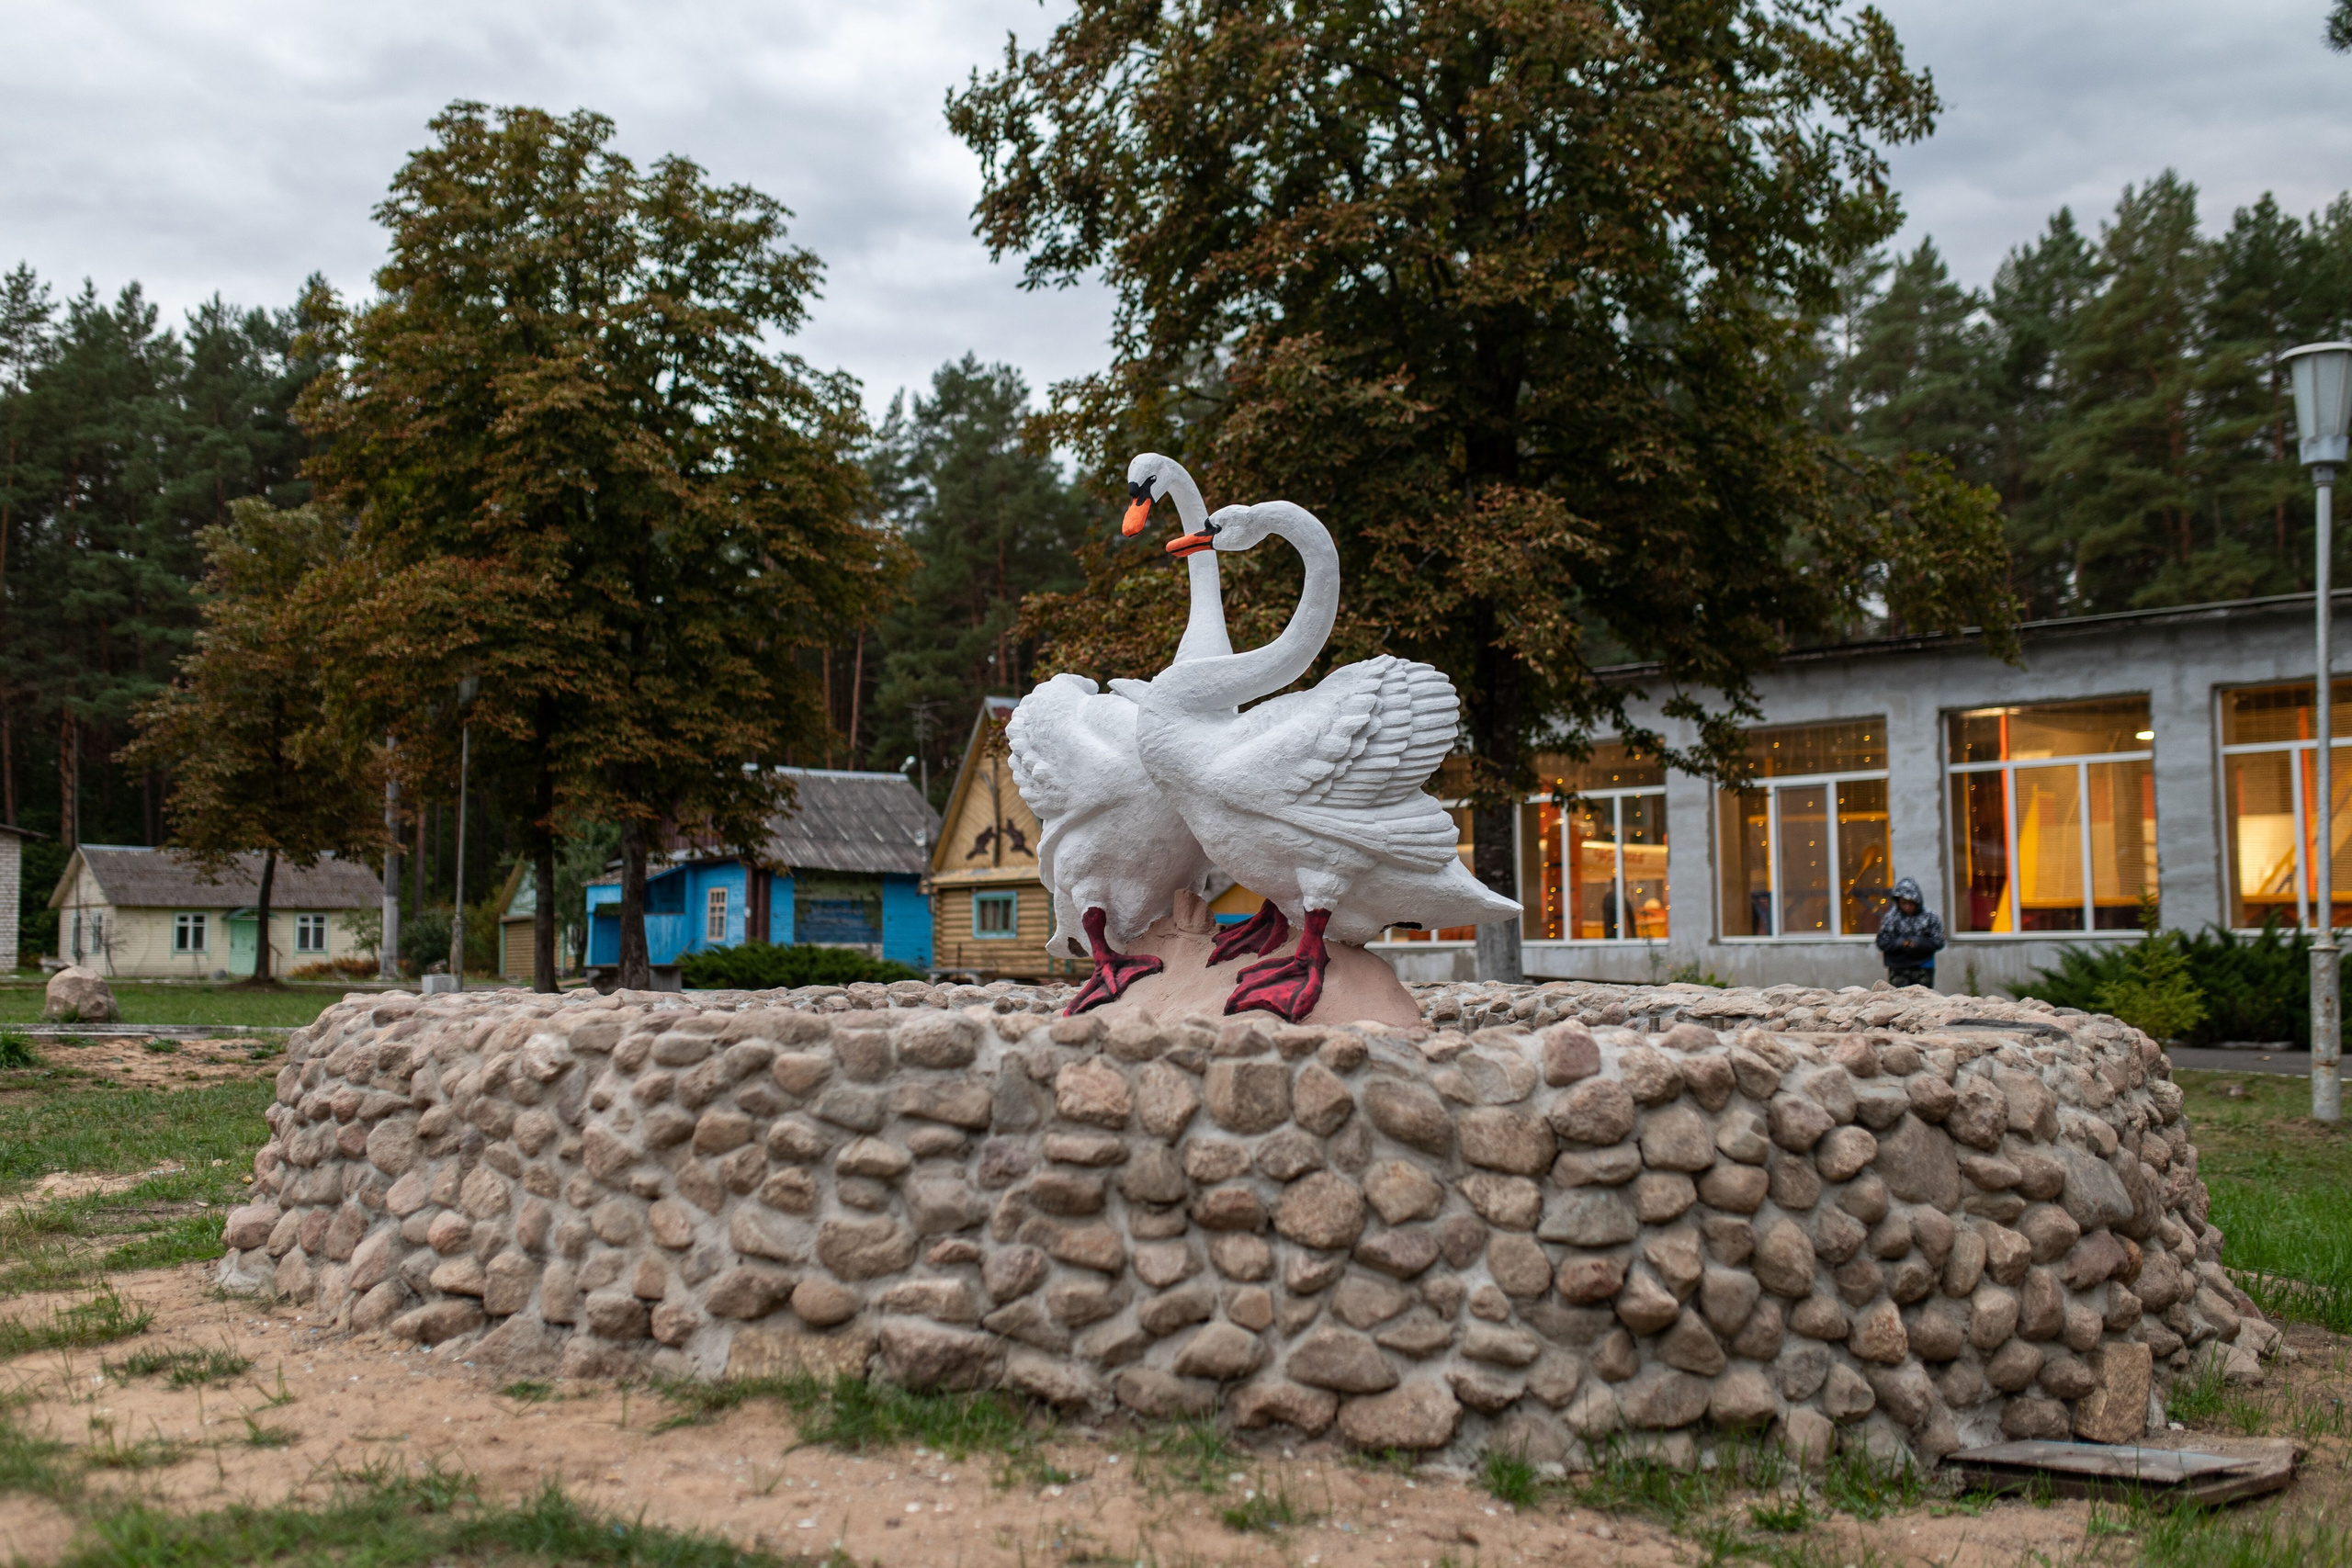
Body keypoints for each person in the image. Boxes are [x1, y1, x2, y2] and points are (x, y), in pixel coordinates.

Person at [1875, 876, 1946, 989]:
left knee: (1924, 998)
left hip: (1923, 966)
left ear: (1917, 901)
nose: (1907, 907)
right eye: (1904, 903)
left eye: (1911, 903)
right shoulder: (1891, 918)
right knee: (1899, 998)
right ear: (1898, 901)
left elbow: (1939, 941)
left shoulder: (1930, 916)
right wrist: (1899, 943)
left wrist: (1920, 943)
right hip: (1898, 967)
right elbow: (1881, 942)